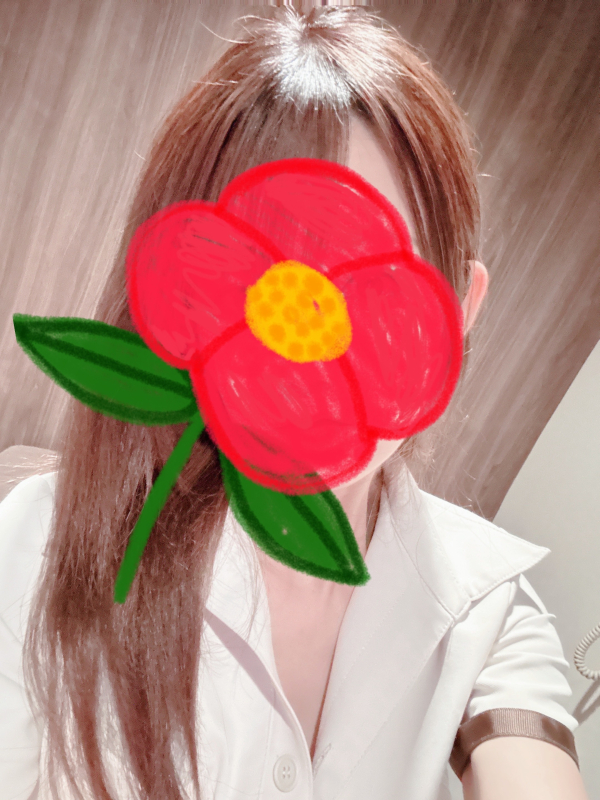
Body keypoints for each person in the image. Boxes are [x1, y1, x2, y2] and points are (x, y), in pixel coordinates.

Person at [0, 7, 589, 800]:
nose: (302, 357)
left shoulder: (490, 613)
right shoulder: (39, 549)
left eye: (377, 284)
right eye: (271, 271)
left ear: (460, 313)